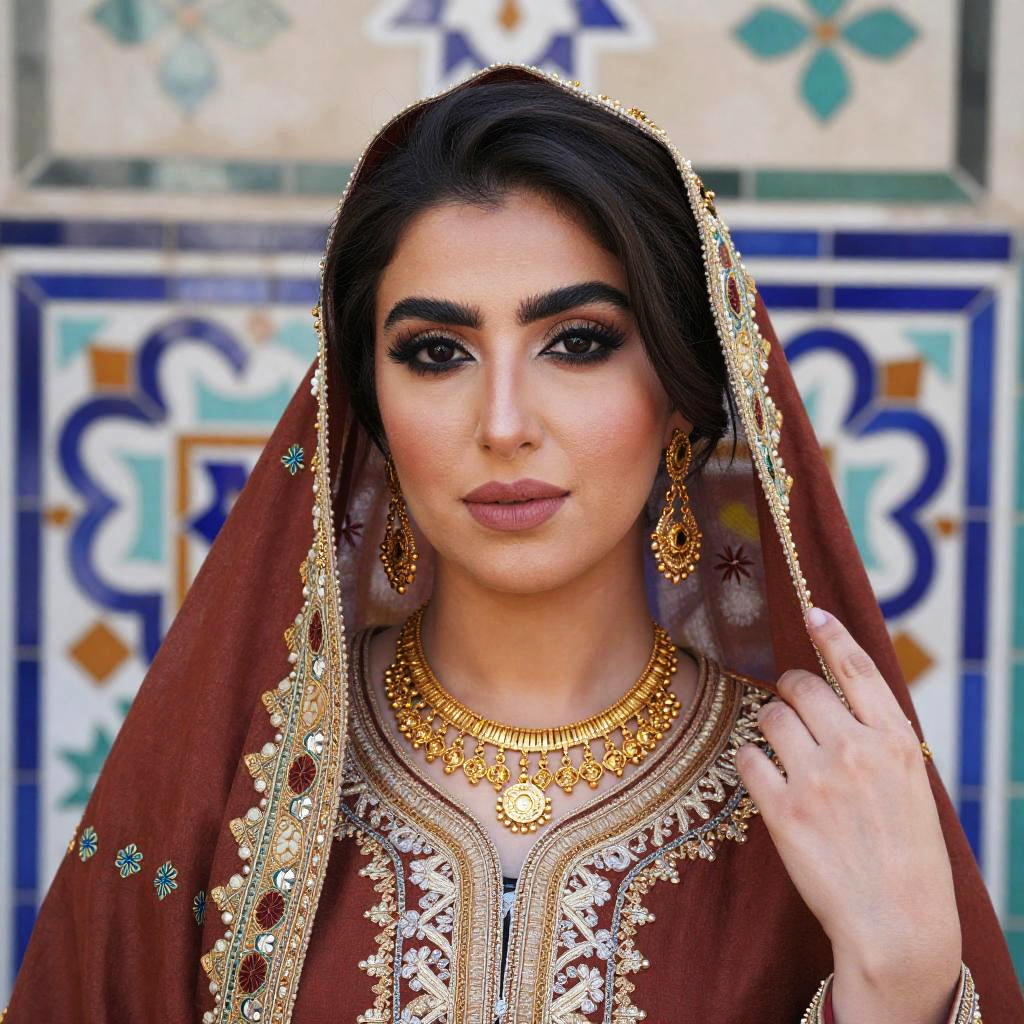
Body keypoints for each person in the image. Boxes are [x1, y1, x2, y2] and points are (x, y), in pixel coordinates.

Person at [4, 62, 1022, 1024]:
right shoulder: (231, 785)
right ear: (368, 412)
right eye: (436, 352)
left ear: (678, 393)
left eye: (577, 342)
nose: (502, 422)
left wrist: (903, 984)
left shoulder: (823, 805)